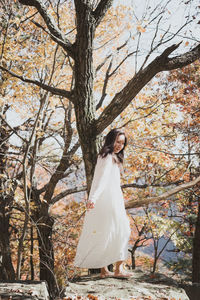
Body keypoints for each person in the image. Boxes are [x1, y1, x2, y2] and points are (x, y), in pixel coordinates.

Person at [74, 128, 131, 278]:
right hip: (108, 200)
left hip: (111, 199)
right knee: (122, 230)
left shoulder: (110, 156)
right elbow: (102, 180)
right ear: (110, 140)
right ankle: (117, 270)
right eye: (117, 141)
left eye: (122, 143)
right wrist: (94, 198)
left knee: (106, 231)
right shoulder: (107, 157)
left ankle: (105, 270)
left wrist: (94, 197)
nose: (120, 145)